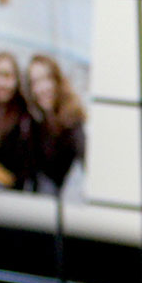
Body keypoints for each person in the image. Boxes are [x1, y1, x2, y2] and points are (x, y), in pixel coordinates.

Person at [0, 51, 38, 190]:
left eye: (6, 76)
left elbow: (27, 174)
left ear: (17, 80)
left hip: (8, 200)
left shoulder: (26, 121)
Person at [26, 53, 86, 195]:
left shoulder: (73, 124)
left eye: (46, 79)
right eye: (35, 82)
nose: (42, 88)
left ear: (57, 80)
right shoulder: (37, 121)